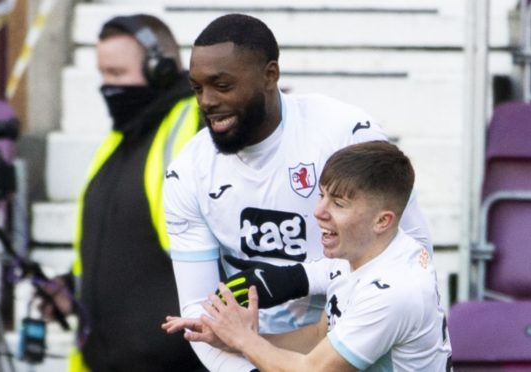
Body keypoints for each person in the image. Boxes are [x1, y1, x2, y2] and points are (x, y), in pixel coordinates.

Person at [163, 13, 432, 370]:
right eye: (197, 89)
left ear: (270, 75)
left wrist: (254, 336)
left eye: (222, 86)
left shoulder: (343, 134)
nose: (206, 101)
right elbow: (201, 315)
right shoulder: (187, 173)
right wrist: (247, 354)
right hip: (288, 348)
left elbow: (413, 252)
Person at [164, 141, 453, 371]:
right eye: (321, 195)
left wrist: (245, 339)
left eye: (338, 203)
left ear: (382, 221)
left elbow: (312, 369)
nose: (319, 212)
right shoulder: (363, 253)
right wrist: (237, 340)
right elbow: (319, 338)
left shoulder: (394, 291)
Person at [37, 14, 205, 372]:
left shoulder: (195, 125)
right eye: (102, 75)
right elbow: (124, 248)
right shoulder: (119, 140)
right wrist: (72, 288)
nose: (107, 87)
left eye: (117, 74)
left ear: (160, 68)